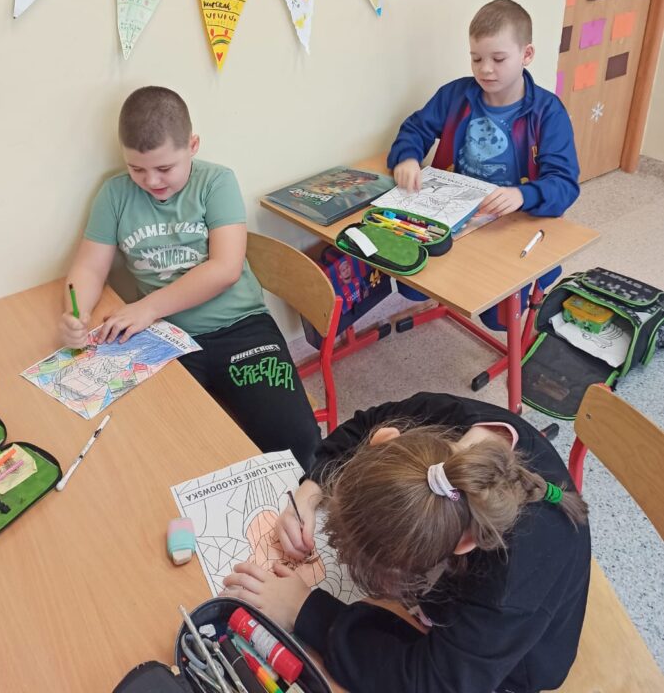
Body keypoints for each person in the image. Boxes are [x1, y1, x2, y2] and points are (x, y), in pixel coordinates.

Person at [223, 391, 591, 693]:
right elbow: (364, 424)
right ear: (387, 441)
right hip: (446, 614)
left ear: (462, 544)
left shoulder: (512, 582)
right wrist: (311, 489)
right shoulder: (436, 423)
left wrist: (304, 611)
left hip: (508, 665)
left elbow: (434, 683)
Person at [59, 85, 320, 470]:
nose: (151, 181)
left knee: (300, 447)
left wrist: (147, 308)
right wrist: (75, 313)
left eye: (164, 168)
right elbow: (88, 268)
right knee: (164, 453)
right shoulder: (114, 194)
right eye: (136, 169)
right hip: (167, 339)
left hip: (241, 328)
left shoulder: (216, 182)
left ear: (193, 145)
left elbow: (225, 269)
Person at [388, 0, 579, 328]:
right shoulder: (455, 95)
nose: (485, 69)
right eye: (476, 58)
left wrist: (523, 195)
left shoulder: (548, 112)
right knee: (412, 283)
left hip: (516, 224)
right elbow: (416, 129)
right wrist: (407, 157)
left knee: (497, 318)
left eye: (498, 59)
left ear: (527, 55)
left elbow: (564, 184)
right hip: (460, 215)